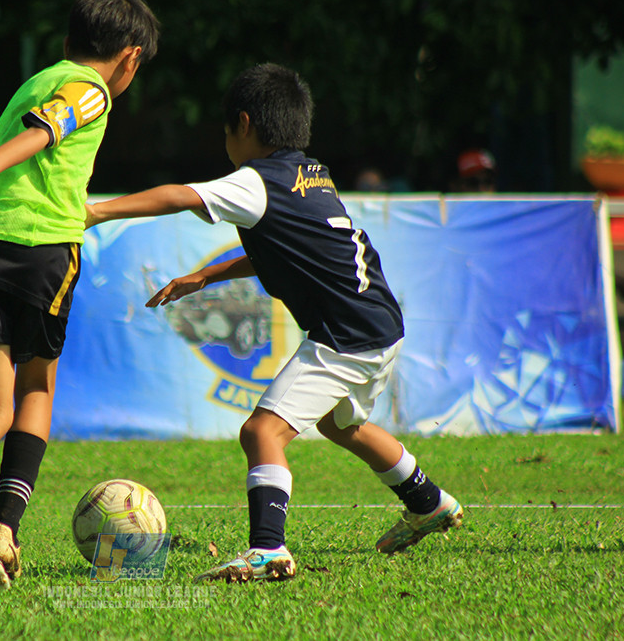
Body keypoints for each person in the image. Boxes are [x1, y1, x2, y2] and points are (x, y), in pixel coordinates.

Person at [86, 63, 463, 583]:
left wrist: (94, 213)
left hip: (345, 336)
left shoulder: (254, 182)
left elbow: (177, 195)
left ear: (243, 124)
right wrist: (205, 275)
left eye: (224, 131)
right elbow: (289, 249)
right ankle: (429, 502)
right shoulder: (312, 175)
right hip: (379, 322)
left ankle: (267, 549)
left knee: (261, 430)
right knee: (340, 424)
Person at [0, 0, 160, 590]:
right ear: (130, 59)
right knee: (37, 388)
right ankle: (5, 527)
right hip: (39, 255)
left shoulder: (41, 76)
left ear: (66, 41)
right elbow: (47, 133)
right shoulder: (91, 88)